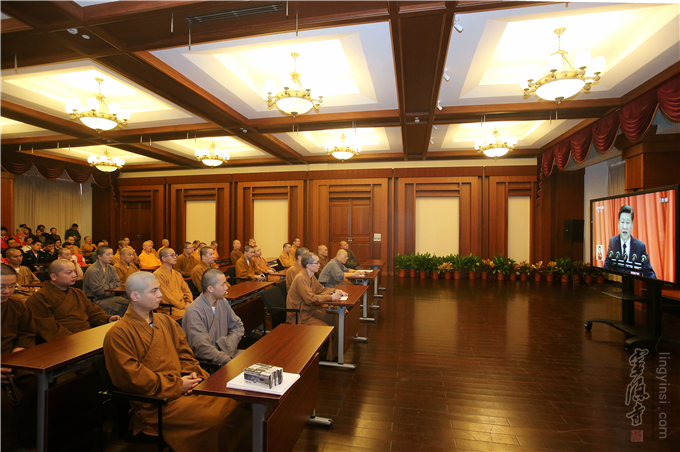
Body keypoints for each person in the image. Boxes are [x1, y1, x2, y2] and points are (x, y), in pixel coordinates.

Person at [102, 271, 250, 452]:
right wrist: (178, 385)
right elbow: (133, 378)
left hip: (187, 387)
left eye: (159, 289)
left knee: (239, 404)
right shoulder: (118, 334)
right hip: (158, 402)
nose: (160, 295)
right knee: (217, 421)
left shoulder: (165, 321)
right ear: (135, 296)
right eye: (154, 291)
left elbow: (185, 353)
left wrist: (192, 375)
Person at [26, 260, 119, 342]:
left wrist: (107, 318)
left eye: (74, 271)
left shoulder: (77, 293)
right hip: (63, 342)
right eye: (69, 273)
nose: (74, 275)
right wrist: (72, 339)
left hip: (86, 336)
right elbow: (47, 327)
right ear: (53, 276)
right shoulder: (39, 298)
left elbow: (92, 312)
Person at [1, 263, 38, 451]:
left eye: (11, 286)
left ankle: (29, 441)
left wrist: (17, 354)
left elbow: (26, 333)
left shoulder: (16, 305)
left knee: (34, 384)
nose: (7, 291)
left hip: (12, 362)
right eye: (1, 286)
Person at [286, 253, 347, 360]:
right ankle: (325, 358)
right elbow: (309, 299)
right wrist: (331, 297)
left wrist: (334, 291)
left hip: (310, 311)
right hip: (300, 315)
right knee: (327, 327)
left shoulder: (311, 276)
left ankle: (332, 355)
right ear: (309, 265)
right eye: (317, 262)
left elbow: (321, 290)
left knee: (334, 318)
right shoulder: (301, 278)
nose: (319, 264)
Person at [183, 269, 244, 366]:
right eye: (223, 284)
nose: (226, 287)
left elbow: (238, 326)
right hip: (210, 364)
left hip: (228, 353)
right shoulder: (193, 311)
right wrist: (225, 359)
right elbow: (201, 347)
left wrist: (227, 347)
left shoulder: (222, 302)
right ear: (210, 289)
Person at [604, 205, 656, 278]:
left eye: (628, 222)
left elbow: (649, 272)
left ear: (632, 225)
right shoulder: (612, 242)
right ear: (618, 223)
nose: (625, 227)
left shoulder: (640, 247)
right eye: (622, 222)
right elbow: (606, 267)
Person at [82, 246, 130, 317]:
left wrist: (105, 287)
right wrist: (111, 287)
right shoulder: (92, 270)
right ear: (99, 256)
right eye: (108, 255)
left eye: (112, 254)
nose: (111, 256)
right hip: (95, 299)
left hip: (109, 297)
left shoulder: (111, 268)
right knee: (119, 308)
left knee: (130, 304)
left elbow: (118, 283)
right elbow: (99, 291)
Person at [155, 248, 193, 315]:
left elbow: (186, 289)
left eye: (175, 255)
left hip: (183, 305)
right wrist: (182, 306)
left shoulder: (177, 274)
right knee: (193, 315)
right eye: (172, 255)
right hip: (169, 308)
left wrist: (188, 302)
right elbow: (166, 296)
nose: (175, 257)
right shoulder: (158, 274)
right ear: (163, 258)